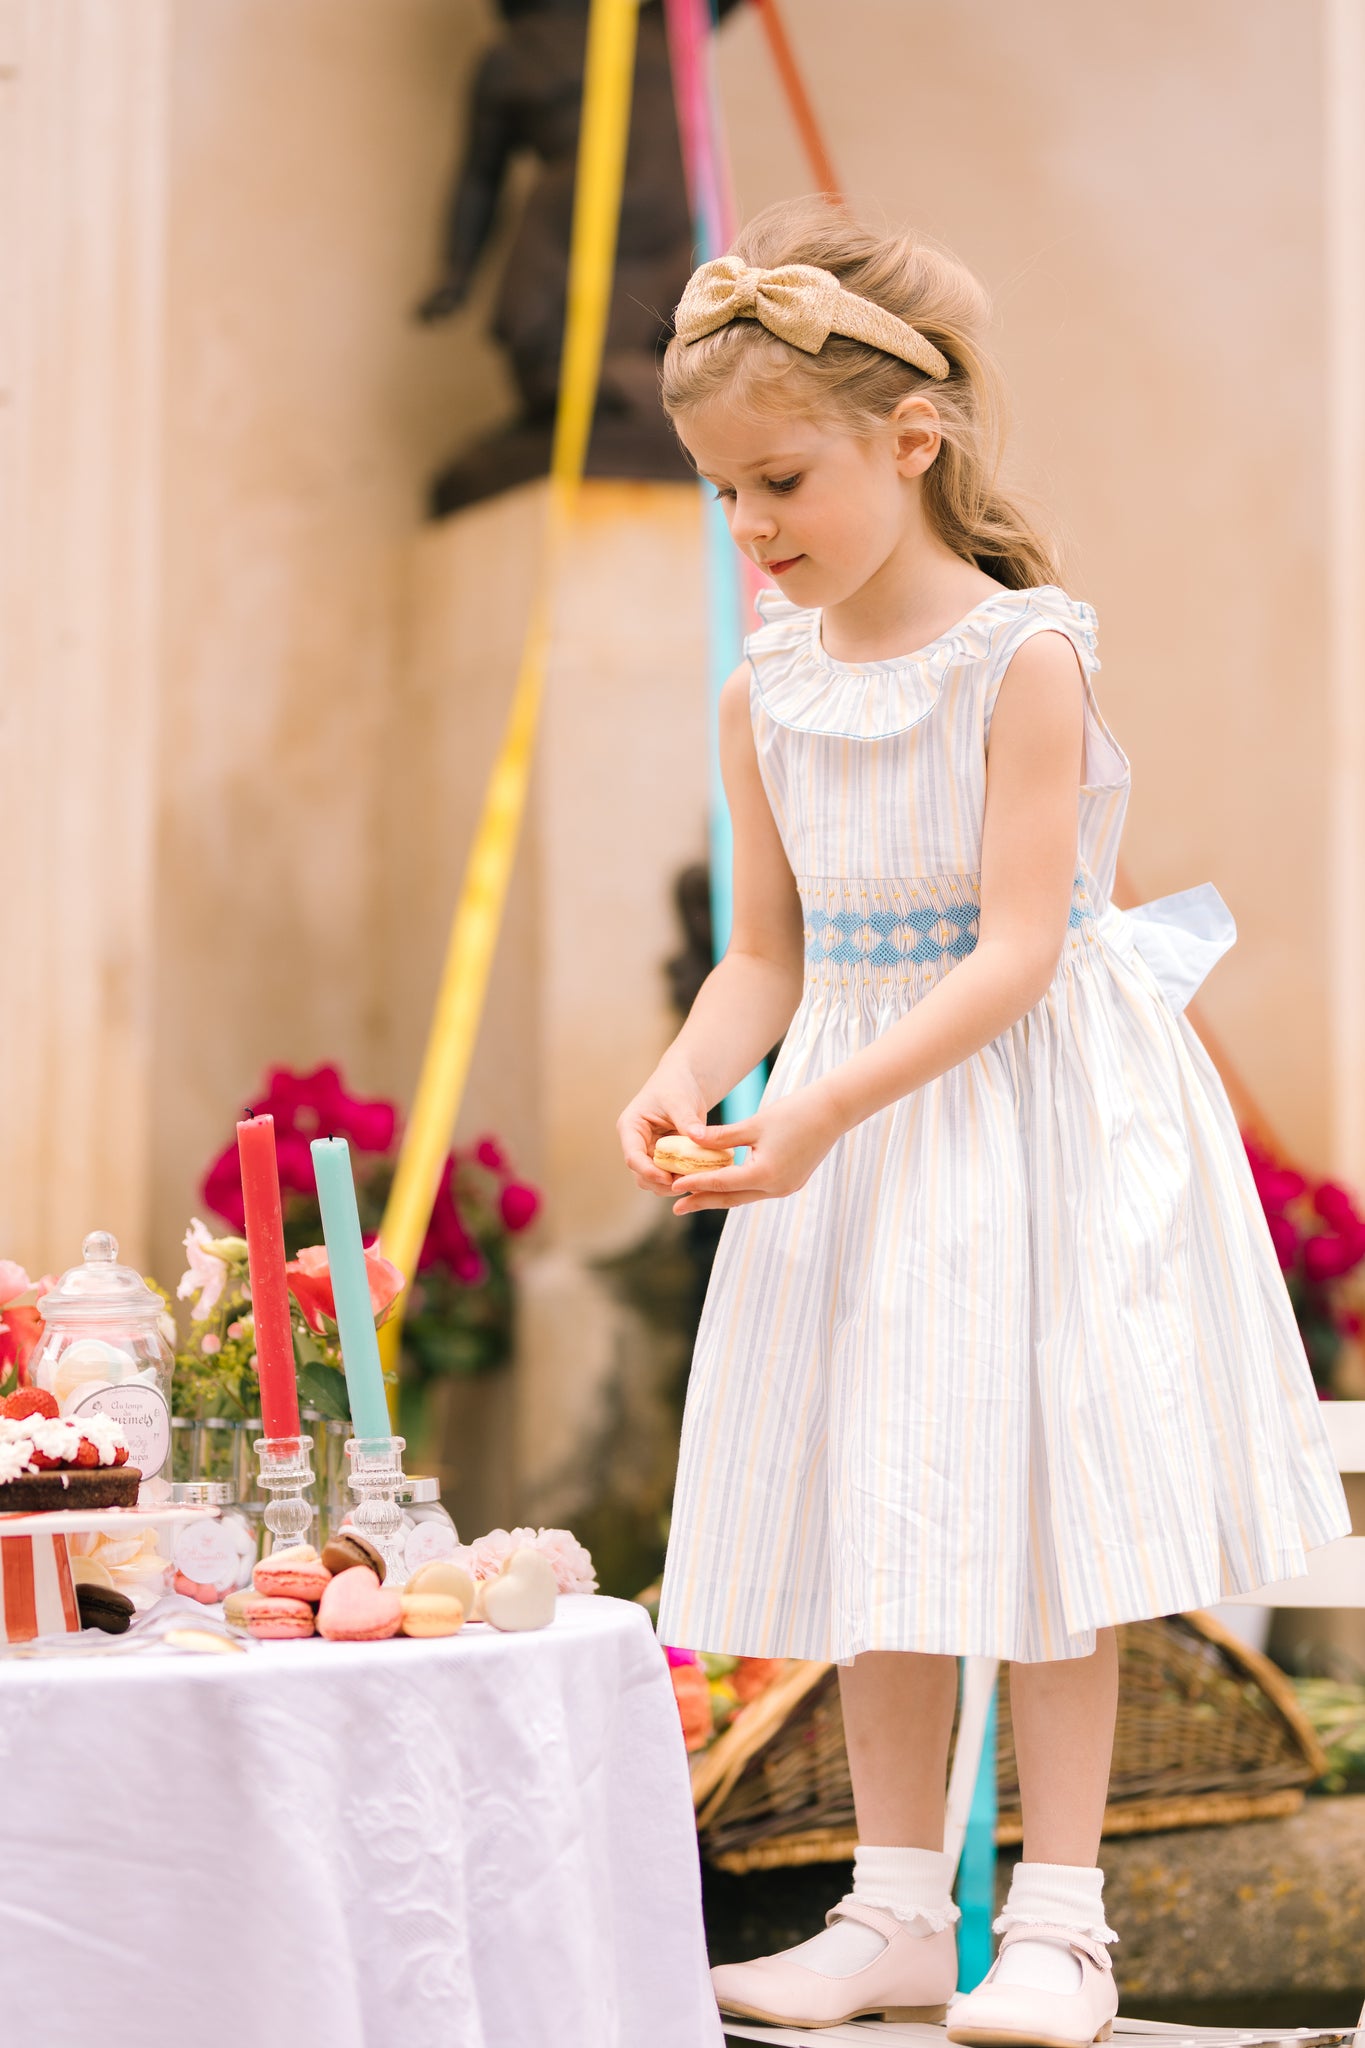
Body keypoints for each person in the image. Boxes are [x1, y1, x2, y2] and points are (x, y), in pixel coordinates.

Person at [616, 197, 1351, 2045]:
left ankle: (1062, 1925)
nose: (753, 530)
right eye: (723, 494)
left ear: (910, 440)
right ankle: (881, 1912)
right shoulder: (762, 691)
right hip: (845, 1133)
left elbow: (1018, 953)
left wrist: (820, 1114)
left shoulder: (1022, 656)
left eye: (778, 478)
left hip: (1006, 1124)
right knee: (884, 1508)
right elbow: (765, 961)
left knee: (1038, 1515)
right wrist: (690, 1081)